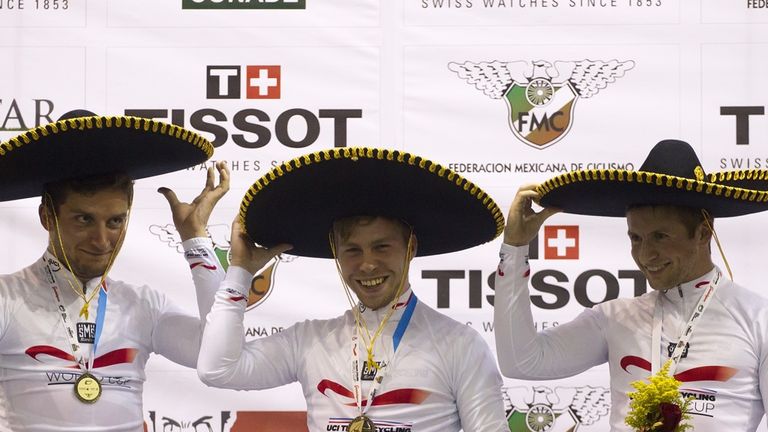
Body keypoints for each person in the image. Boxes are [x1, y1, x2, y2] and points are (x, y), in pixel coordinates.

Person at [197, 147, 511, 431]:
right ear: (336, 252)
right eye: (353, 251)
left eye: (382, 247)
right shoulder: (310, 341)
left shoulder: (461, 346)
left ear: (410, 247)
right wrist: (240, 272)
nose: (368, 265)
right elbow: (217, 370)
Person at [493, 139, 768, 431]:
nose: (645, 254)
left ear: (703, 233)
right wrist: (515, 248)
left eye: (661, 236)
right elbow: (521, 362)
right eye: (636, 238)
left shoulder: (756, 319)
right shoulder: (615, 318)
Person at [0, 112, 229, 431]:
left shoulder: (144, 305)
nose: (101, 240)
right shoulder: (7, 298)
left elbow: (221, 359)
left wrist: (196, 239)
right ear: (47, 217)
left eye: (115, 222)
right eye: (84, 220)